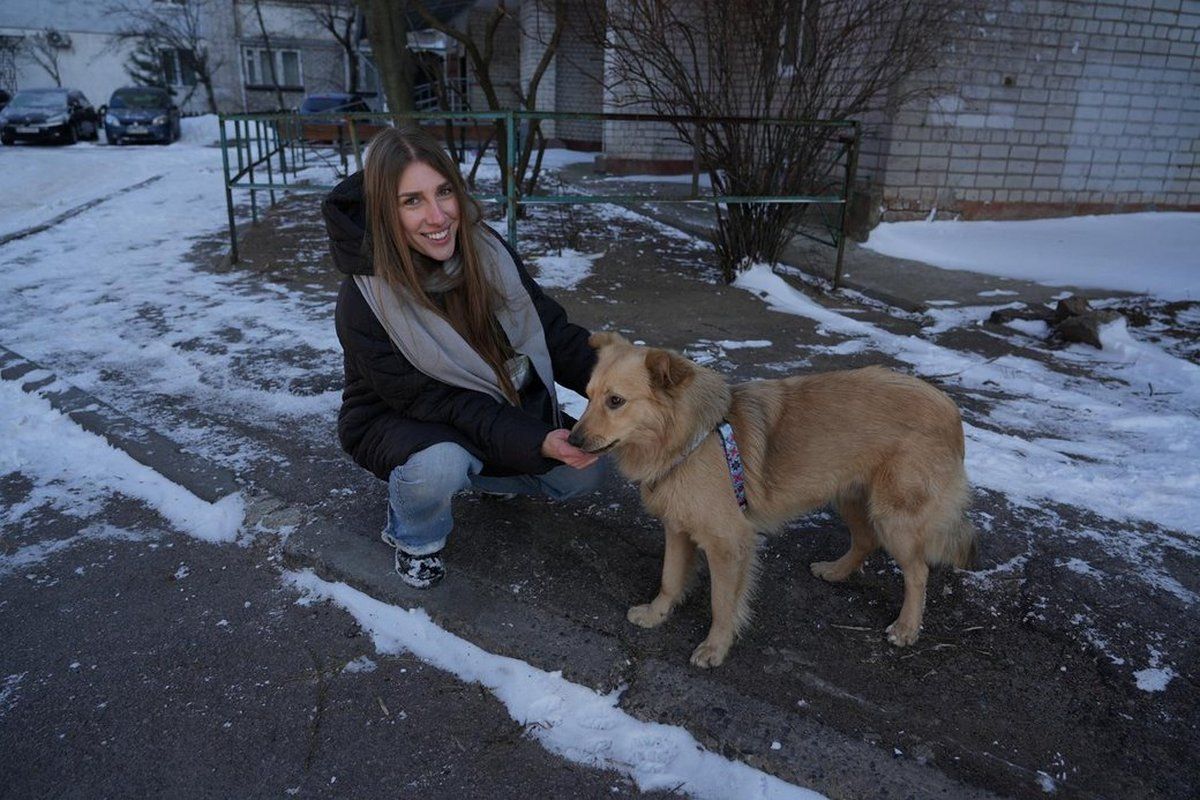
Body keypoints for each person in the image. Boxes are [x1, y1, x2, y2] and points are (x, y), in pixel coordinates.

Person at [322, 125, 604, 588]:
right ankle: (414, 532)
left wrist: (630, 382)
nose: (437, 217)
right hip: (403, 419)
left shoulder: (484, 249)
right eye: (411, 201)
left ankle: (489, 474)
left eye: (444, 193)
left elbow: (550, 330)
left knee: (584, 477)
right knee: (440, 466)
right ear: (383, 211)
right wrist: (535, 441)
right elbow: (445, 404)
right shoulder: (364, 302)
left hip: (492, 403)